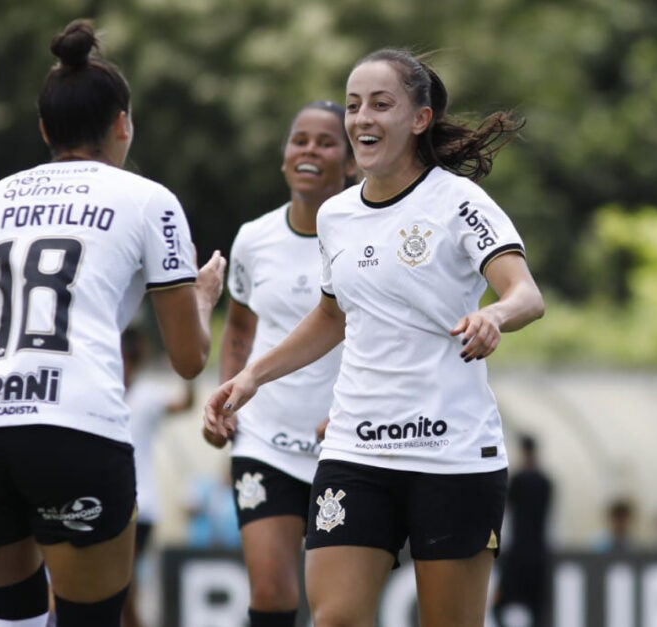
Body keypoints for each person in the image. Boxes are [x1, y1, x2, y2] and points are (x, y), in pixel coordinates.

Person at [205, 47, 544, 627]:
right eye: (355, 105)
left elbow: (525, 295)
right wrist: (250, 376)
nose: (362, 117)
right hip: (354, 450)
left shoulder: (459, 202)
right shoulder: (337, 216)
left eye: (381, 104)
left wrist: (494, 317)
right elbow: (331, 317)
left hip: (452, 453)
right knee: (333, 618)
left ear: (419, 119)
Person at [0, 19, 225, 627]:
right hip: (70, 422)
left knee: (12, 617)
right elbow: (189, 359)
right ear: (123, 123)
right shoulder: (149, 199)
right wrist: (202, 296)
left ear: (43, 128)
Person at [208, 100, 356, 627]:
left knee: (336, 609)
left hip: (347, 446)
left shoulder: (368, 237)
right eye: (300, 140)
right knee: (271, 594)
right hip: (264, 442)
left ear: (352, 161)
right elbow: (241, 330)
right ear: (284, 156)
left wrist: (354, 409)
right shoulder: (254, 238)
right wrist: (228, 398)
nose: (310, 150)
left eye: (326, 141)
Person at [121, 327, 195, 627]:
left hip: (142, 504)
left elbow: (185, 404)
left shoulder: (147, 396)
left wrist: (185, 372)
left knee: (123, 581)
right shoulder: (104, 390)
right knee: (118, 582)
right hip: (115, 499)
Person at [494, 435, 553, 627]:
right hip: (538, 552)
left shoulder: (518, 480)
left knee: (501, 604)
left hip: (518, 553)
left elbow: (507, 511)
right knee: (538, 608)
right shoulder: (546, 482)